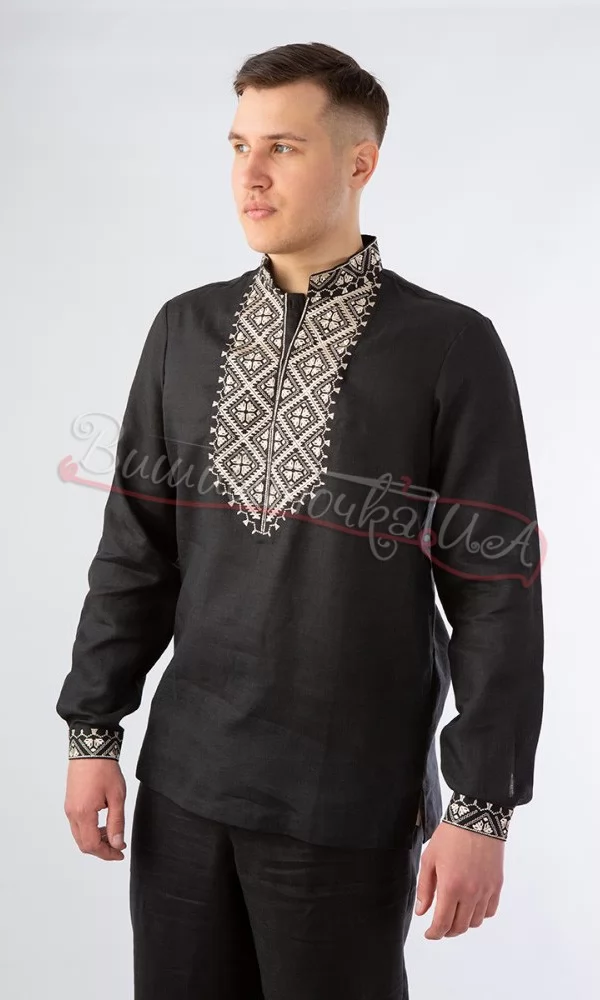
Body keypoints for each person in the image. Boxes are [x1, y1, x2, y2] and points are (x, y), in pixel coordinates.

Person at [56, 40, 544, 999]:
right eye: (239, 145)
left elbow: (496, 591)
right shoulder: (185, 329)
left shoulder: (450, 347)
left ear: (360, 162)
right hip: (185, 786)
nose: (251, 174)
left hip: (347, 801)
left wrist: (483, 806)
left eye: (282, 146)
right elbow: (136, 554)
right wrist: (93, 732)